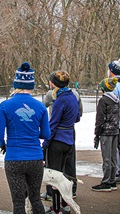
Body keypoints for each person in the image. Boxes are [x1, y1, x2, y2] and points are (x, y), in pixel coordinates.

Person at [0, 62, 51, 214]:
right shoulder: (40, 107)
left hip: (14, 159)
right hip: (35, 158)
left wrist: (4, 145)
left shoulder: (5, 106)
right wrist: (32, 133)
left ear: (16, 84)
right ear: (31, 85)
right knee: (35, 198)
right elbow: (46, 134)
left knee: (18, 202)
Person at [43, 70, 80, 214]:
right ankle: (65, 204)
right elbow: (77, 117)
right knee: (64, 174)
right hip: (69, 139)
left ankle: (56, 208)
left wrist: (45, 144)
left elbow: (52, 125)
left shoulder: (59, 100)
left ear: (54, 84)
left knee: (55, 176)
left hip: (58, 141)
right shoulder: (73, 96)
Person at [91, 77, 119, 192]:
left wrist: (96, 134)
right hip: (115, 131)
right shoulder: (116, 99)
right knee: (113, 157)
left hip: (105, 132)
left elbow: (100, 119)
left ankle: (106, 181)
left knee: (106, 157)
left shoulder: (104, 101)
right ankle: (112, 180)